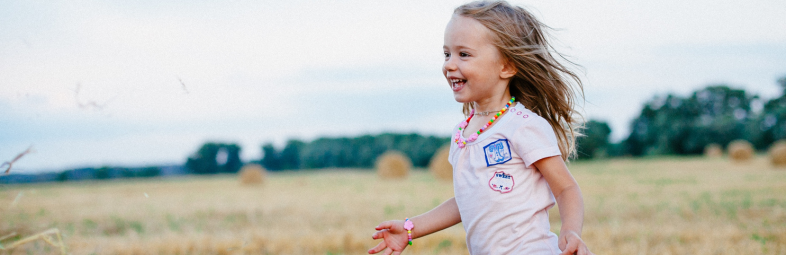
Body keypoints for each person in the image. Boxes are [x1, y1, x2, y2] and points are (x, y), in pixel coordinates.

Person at [368, 1, 594, 254]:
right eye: (447, 54)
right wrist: (411, 228)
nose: (449, 65)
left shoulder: (523, 126)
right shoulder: (462, 134)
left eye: (463, 54)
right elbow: (468, 201)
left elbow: (566, 188)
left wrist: (570, 231)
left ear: (506, 66)